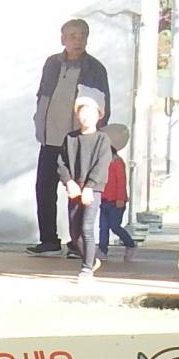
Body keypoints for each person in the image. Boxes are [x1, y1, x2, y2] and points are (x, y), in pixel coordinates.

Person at [29, 19, 110, 257]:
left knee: (77, 192)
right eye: (72, 35)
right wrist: (38, 120)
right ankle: (48, 240)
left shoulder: (95, 67)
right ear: (62, 39)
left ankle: (77, 244)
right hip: (50, 136)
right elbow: (42, 95)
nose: (77, 40)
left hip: (77, 141)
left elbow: (102, 103)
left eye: (82, 35)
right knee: (44, 188)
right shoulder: (52, 63)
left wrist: (95, 134)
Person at [60, 90, 112, 279]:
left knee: (87, 228)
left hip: (93, 190)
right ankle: (90, 259)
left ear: (98, 116)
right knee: (74, 233)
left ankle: (86, 268)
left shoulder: (102, 140)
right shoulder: (70, 138)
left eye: (90, 113)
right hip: (75, 189)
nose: (85, 117)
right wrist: (69, 182)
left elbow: (101, 165)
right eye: (82, 112)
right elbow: (61, 164)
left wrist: (90, 186)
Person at [99, 122, 139, 261]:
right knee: (103, 227)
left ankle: (131, 245)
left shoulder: (117, 162)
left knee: (114, 226)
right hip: (103, 199)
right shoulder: (102, 162)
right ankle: (102, 250)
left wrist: (120, 199)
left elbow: (121, 182)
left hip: (116, 201)